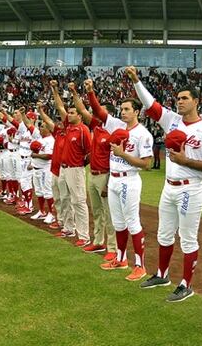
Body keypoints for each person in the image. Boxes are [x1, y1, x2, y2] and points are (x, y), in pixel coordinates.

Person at [129, 65, 202, 300]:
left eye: (184, 98)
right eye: (177, 98)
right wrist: (136, 81)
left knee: (188, 238)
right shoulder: (171, 120)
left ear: (196, 101)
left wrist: (186, 160)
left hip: (191, 187)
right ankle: (162, 273)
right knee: (164, 234)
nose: (179, 102)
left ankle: (186, 284)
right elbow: (150, 105)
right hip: (169, 186)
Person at [84, 78, 154, 274]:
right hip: (113, 178)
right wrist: (91, 92)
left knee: (132, 222)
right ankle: (121, 259)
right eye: (121, 109)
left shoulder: (143, 134)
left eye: (127, 109)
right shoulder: (116, 125)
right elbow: (98, 111)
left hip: (129, 179)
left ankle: (140, 266)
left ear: (136, 112)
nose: (122, 112)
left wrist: (123, 154)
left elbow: (147, 164)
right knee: (118, 223)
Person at [72, 82, 116, 256]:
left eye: (101, 111)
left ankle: (113, 248)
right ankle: (99, 242)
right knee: (97, 212)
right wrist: (75, 92)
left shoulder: (114, 132)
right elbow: (82, 110)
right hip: (93, 174)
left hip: (106, 176)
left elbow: (116, 160)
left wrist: (108, 184)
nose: (97, 113)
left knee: (110, 214)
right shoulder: (97, 128)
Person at [49, 80, 92, 247]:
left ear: (80, 116)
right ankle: (68, 228)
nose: (70, 114)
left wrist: (80, 164)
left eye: (73, 112)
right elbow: (60, 107)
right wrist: (55, 90)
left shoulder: (83, 130)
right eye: (70, 113)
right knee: (65, 199)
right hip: (63, 169)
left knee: (79, 202)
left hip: (75, 169)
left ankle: (84, 236)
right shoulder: (67, 127)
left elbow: (89, 152)